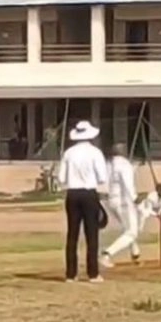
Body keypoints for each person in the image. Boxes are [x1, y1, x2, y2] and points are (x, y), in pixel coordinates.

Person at [57, 120, 107, 283]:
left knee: (72, 234)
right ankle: (93, 273)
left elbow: (61, 177)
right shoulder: (95, 153)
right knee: (91, 234)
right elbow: (102, 177)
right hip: (88, 193)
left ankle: (71, 274)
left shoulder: (68, 153)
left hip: (72, 194)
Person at [100, 143, 140, 268]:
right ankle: (107, 254)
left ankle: (135, 252)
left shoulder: (108, 164)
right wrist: (135, 197)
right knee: (132, 232)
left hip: (111, 201)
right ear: (123, 152)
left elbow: (104, 182)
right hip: (124, 202)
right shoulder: (124, 164)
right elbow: (127, 183)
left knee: (127, 227)